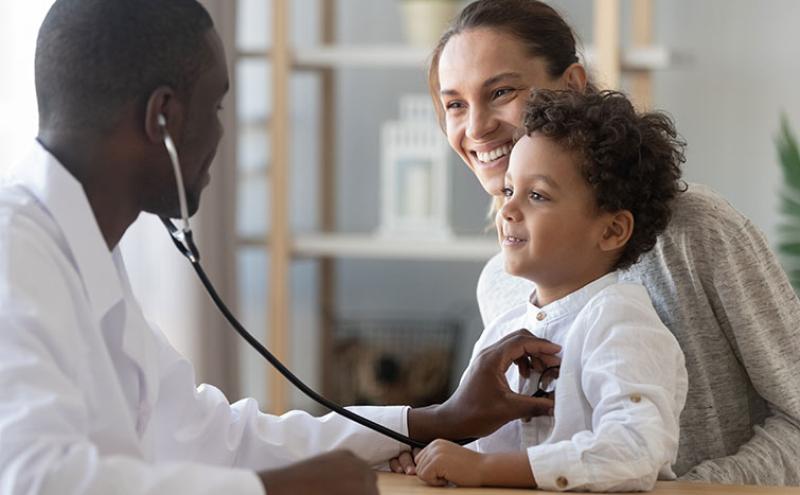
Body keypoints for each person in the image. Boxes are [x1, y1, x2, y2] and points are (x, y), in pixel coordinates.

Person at [0, 1, 565, 494]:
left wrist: (432, 419)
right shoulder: (13, 249)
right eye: (217, 107)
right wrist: (273, 490)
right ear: (164, 118)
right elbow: (34, 480)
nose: (223, 135)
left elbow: (210, 434)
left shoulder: (84, 251)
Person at [392, 0, 800, 486]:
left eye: (501, 91)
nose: (476, 127)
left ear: (572, 86)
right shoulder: (504, 284)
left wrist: (688, 490)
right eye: (455, 103)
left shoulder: (696, 231)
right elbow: (536, 452)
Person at [414, 88, 689, 490]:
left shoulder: (621, 324)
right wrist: (435, 456)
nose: (507, 209)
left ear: (612, 230)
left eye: (537, 195)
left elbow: (634, 451)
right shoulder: (502, 332)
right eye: (509, 190)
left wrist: (481, 470)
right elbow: (485, 452)